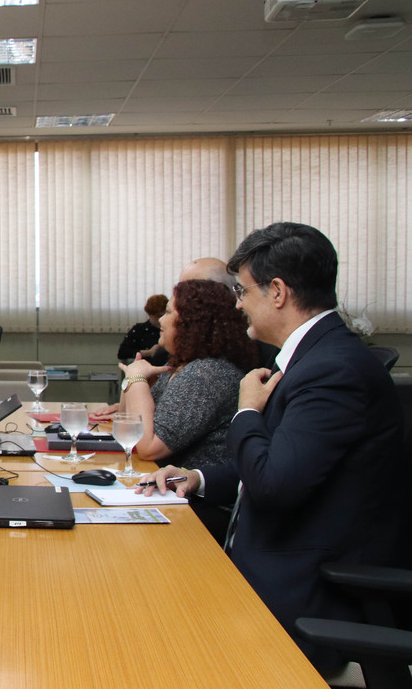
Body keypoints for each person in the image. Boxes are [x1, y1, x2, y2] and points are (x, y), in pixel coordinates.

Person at [138, 222, 405, 674]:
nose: (237, 304)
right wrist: (198, 478)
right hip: (267, 564)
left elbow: (273, 484)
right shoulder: (313, 357)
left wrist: (247, 411)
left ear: (277, 292)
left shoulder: (332, 370)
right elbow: (286, 461)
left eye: (242, 291)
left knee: (150, 639)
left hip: (303, 598)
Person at [118, 281, 256, 472]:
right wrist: (134, 381)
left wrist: (136, 380)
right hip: (162, 479)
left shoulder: (205, 374)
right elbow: (125, 426)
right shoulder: (179, 365)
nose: (161, 320)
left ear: (192, 323)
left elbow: (148, 448)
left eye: (168, 313)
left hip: (191, 488)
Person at [115, 293, 168, 365]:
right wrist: (148, 352)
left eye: (165, 315)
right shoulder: (139, 330)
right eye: (158, 316)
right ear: (150, 314)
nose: (161, 319)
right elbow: (122, 352)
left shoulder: (173, 329)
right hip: (146, 367)